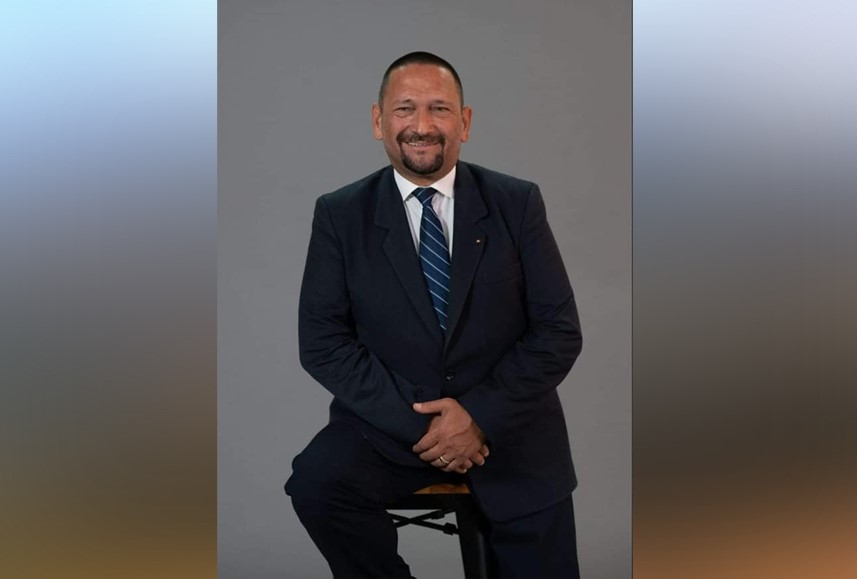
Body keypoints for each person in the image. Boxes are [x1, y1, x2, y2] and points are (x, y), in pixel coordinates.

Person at [285, 51, 583, 578]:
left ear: (464, 123)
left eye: (439, 109)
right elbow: (323, 343)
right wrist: (428, 427)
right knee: (318, 483)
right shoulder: (340, 213)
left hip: (511, 431)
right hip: (392, 430)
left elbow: (558, 333)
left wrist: (478, 417)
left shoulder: (516, 203)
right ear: (378, 120)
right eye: (405, 108)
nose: (421, 126)